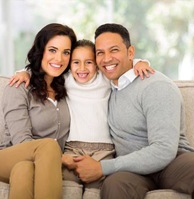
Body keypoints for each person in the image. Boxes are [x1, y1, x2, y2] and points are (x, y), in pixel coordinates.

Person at [71, 23, 194, 199]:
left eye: (114, 50)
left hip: (173, 162)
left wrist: (103, 167)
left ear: (130, 52)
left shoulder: (156, 85)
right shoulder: (103, 84)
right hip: (132, 171)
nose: (107, 58)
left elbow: (163, 149)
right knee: (115, 185)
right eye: (100, 53)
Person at [9, 39, 154, 199]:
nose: (82, 68)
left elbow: (123, 65)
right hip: (73, 149)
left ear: (97, 64)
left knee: (106, 184)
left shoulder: (105, 79)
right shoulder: (66, 80)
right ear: (69, 65)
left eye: (89, 62)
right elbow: (44, 70)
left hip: (104, 150)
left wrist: (141, 62)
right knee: (54, 179)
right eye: (76, 62)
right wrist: (23, 72)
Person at [0, 23, 77, 199]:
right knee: (49, 145)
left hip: (32, 164)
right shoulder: (20, 86)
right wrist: (60, 157)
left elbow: (104, 65)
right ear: (40, 51)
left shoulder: (70, 86)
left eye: (66, 52)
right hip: (3, 158)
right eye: (53, 50)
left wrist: (140, 62)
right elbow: (21, 141)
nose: (59, 58)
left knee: (24, 170)